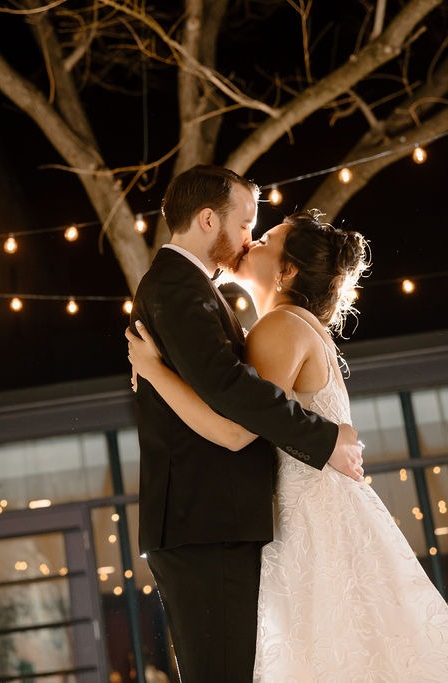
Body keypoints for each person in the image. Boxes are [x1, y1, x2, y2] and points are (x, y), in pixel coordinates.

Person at [128, 210, 448, 681]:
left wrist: (155, 372)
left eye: (267, 238)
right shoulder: (296, 325)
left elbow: (234, 430)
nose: (251, 240)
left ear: (287, 270)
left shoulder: (278, 328)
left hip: (307, 520)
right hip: (322, 510)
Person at [127, 164, 365, 682]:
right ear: (208, 220)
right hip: (204, 524)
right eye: (245, 223)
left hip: (217, 524)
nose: (248, 238)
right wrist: (324, 439)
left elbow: (233, 404)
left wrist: (152, 372)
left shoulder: (198, 291)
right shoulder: (177, 288)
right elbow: (233, 400)